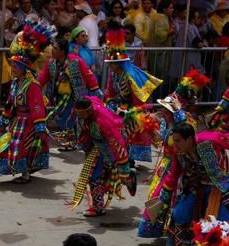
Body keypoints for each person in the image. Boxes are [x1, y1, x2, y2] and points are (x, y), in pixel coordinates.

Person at [137, 69, 210, 238]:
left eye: (166, 109)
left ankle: (173, 231)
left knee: (170, 198)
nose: (162, 111)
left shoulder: (185, 123)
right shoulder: (165, 123)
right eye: (162, 108)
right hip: (164, 165)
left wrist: (178, 111)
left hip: (178, 167)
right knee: (156, 195)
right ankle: (158, 228)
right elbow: (161, 140)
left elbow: (187, 136)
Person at [0, 21, 51, 183]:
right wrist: (5, 116)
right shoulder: (16, 83)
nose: (12, 69)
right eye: (13, 65)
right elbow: (10, 101)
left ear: (24, 68)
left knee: (24, 147)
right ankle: (22, 170)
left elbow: (37, 107)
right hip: (17, 121)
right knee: (12, 146)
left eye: (15, 66)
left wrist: (39, 126)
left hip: (29, 122)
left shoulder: (33, 85)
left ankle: (25, 174)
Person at [104, 24, 163, 163]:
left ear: (119, 63)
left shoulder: (130, 76)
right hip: (120, 105)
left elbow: (139, 102)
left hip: (134, 107)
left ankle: (128, 156)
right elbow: (110, 93)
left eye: (112, 63)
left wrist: (131, 112)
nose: (109, 66)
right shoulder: (113, 75)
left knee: (127, 122)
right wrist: (110, 104)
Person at [69, 97, 137, 217]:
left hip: (111, 148)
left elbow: (117, 143)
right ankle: (98, 207)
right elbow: (94, 98)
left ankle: (129, 177)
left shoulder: (103, 121)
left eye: (81, 113)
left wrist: (123, 164)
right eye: (77, 113)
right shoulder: (87, 111)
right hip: (96, 147)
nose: (78, 116)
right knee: (95, 176)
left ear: (89, 111)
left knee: (118, 174)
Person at [39, 37, 101, 150]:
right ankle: (71, 141)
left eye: (55, 48)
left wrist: (95, 89)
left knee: (71, 120)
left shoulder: (75, 61)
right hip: (60, 98)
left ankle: (72, 143)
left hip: (76, 97)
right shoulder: (51, 63)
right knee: (62, 119)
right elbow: (43, 77)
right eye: (53, 48)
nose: (52, 50)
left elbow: (88, 74)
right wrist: (35, 87)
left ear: (62, 51)